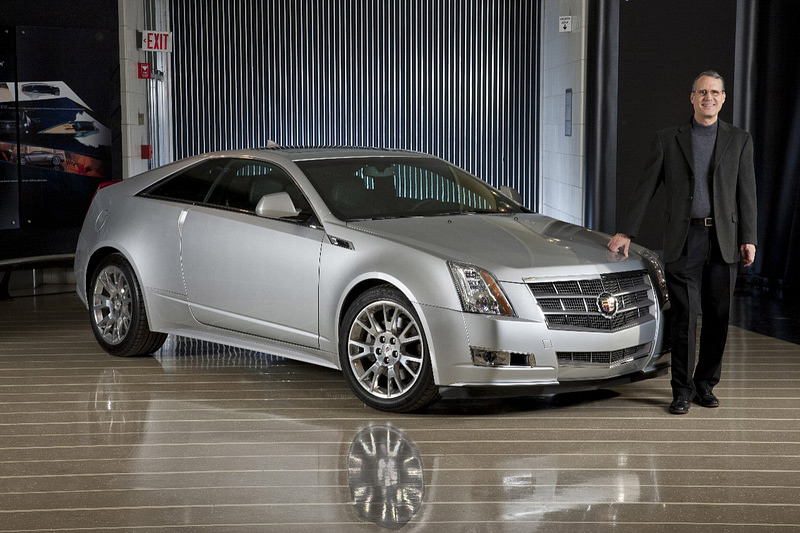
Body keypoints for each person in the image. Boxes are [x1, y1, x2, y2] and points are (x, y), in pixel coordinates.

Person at [607, 70, 757, 415]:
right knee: (685, 317)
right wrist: (626, 231)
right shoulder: (668, 139)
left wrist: (749, 237)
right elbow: (645, 187)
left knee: (719, 316)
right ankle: (681, 390)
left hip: (725, 240)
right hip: (683, 238)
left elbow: (746, 192)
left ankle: (705, 385)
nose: (709, 97)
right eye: (702, 92)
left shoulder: (740, 140)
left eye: (715, 92)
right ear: (692, 98)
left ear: (723, 98)